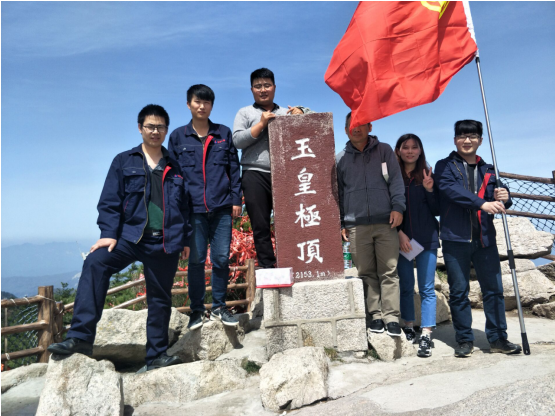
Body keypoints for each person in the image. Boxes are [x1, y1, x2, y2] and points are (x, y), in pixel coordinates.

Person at [48, 104, 192, 373]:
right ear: (140, 128)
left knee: (160, 299)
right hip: (130, 238)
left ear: (166, 130)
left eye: (160, 127)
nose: (155, 131)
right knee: (95, 263)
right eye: (150, 126)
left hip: (164, 241)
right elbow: (110, 201)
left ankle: (156, 355)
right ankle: (80, 338)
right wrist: (107, 234)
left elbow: (185, 207)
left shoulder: (176, 166)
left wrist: (185, 239)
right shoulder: (124, 161)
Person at [435, 119, 522, 357]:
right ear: (455, 140)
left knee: (494, 290)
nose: (467, 140)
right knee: (459, 291)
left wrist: (506, 196)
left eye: (472, 136)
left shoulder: (490, 169)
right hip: (455, 239)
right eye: (462, 136)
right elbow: (451, 190)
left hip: (485, 239)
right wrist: (482, 203)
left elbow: (501, 197)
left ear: (481, 140)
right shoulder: (444, 166)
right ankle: (464, 339)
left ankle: (498, 338)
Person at [168, 84, 242, 329]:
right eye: (197, 102)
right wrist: (177, 210)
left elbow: (234, 169)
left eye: (206, 102)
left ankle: (219, 307)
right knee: (196, 261)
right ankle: (197, 311)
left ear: (212, 105)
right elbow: (173, 177)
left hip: (222, 207)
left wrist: (236, 199)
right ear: (188, 104)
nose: (202, 106)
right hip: (193, 210)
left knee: (221, 259)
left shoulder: (223, 133)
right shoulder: (178, 137)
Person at [233, 68, 312, 269]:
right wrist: (260, 124)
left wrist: (301, 111)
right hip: (254, 174)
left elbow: (313, 121)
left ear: (274, 87)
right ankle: (268, 267)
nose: (263, 90)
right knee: (260, 225)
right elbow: (237, 140)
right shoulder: (245, 112)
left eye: (267, 85)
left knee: (290, 221)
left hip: (284, 174)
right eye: (258, 86)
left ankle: (294, 264)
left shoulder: (284, 112)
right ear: (251, 89)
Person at [336, 112, 405, 337]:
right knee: (366, 273)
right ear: (345, 130)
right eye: (351, 125)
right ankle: (375, 316)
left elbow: (396, 181)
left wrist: (398, 207)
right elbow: (339, 193)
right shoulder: (340, 159)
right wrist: (342, 222)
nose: (356, 128)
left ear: (370, 126)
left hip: (386, 222)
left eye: (360, 124)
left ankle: (391, 317)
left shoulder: (384, 150)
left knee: (389, 271)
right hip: (356, 225)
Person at [395, 134, 439, 357]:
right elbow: (388, 208)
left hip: (427, 238)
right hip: (402, 240)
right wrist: (399, 233)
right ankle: (409, 326)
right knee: (405, 285)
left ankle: (426, 334)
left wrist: (430, 189)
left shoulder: (428, 174)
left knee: (426, 288)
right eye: (406, 147)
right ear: (398, 150)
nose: (410, 151)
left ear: (420, 150)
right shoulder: (392, 176)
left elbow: (437, 209)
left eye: (414, 147)